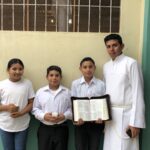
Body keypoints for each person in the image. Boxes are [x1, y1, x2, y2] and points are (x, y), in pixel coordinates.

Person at [103, 34, 145, 150]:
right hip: (110, 117)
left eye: (115, 45)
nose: (111, 49)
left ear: (122, 46)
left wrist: (135, 122)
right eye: (108, 46)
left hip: (126, 116)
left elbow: (138, 93)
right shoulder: (106, 67)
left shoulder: (131, 63)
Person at [32, 65, 72, 150]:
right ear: (47, 77)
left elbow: (71, 109)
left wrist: (64, 116)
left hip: (62, 128)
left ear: (61, 77)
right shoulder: (41, 92)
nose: (54, 78)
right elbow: (35, 109)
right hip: (45, 129)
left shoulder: (67, 92)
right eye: (51, 75)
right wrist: (44, 116)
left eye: (57, 75)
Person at [0, 58, 35, 150]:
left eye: (20, 69)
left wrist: (21, 113)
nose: (18, 71)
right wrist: (7, 107)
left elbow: (31, 103)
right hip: (5, 125)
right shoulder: (2, 84)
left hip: (22, 125)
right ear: (8, 70)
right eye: (14, 69)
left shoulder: (27, 84)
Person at [71, 57, 105, 150]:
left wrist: (103, 118)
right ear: (80, 69)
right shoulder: (75, 84)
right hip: (80, 123)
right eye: (85, 67)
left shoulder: (101, 84)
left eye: (90, 67)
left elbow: (104, 103)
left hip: (96, 123)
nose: (88, 69)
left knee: (94, 147)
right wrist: (76, 120)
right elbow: (73, 103)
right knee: (80, 147)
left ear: (94, 68)